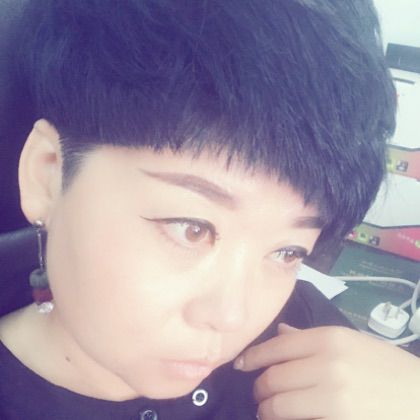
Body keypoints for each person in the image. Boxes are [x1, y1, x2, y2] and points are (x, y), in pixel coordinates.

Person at [0, 0, 419, 419]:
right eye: (193, 228)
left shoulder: (307, 336)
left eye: (287, 252)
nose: (232, 317)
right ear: (47, 174)